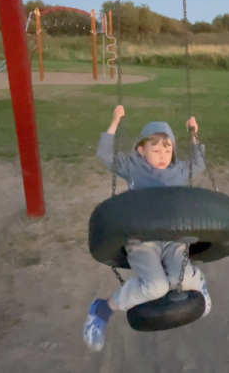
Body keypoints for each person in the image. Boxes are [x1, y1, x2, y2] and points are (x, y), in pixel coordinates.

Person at [83, 105, 211, 352]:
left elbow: (200, 163)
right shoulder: (133, 167)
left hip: (172, 237)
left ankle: (199, 283)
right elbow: (104, 154)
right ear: (141, 150)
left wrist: (194, 133)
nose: (163, 154)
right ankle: (102, 309)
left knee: (179, 278)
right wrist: (114, 122)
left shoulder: (179, 171)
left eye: (168, 148)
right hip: (140, 238)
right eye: (155, 149)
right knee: (156, 286)